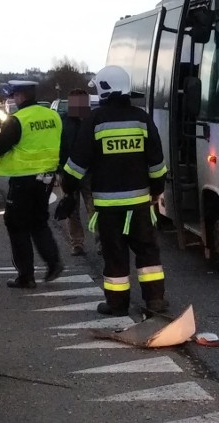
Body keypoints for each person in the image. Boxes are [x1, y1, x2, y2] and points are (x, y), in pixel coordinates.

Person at [61, 66, 168, 317]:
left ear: (104, 89)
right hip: (141, 204)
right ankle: (155, 301)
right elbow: (157, 162)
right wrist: (157, 190)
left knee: (115, 255)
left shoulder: (95, 121)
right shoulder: (141, 119)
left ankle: (117, 305)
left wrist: (68, 190)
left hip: (109, 208)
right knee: (148, 253)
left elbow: (77, 164)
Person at [0, 80, 63, 288]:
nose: (13, 100)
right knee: (39, 222)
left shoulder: (17, 119)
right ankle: (53, 262)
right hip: (46, 178)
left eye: (14, 96)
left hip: (23, 180)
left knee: (16, 225)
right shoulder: (53, 116)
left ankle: (26, 276)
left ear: (21, 96)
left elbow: (0, 145)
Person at [57, 88, 100, 256]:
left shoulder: (93, 121)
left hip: (89, 173)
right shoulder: (63, 122)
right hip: (68, 173)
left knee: (94, 209)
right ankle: (77, 243)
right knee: (71, 209)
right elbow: (59, 147)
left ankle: (100, 243)